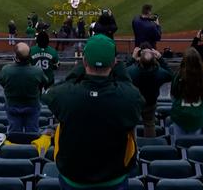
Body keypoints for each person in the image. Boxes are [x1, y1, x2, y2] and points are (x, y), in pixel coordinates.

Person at [45, 36, 143, 190]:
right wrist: (120, 67)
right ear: (114, 62)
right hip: (114, 179)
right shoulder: (129, 97)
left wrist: (80, 67)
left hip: (73, 179)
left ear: (84, 62)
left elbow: (56, 91)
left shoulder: (64, 95)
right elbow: (130, 89)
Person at [0, 42, 50, 136]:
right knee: (32, 135)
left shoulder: (6, 70)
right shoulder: (37, 71)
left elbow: (2, 83)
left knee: (14, 135)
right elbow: (44, 83)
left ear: (16, 56)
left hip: (13, 105)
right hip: (32, 105)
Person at [128, 45, 172, 137]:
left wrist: (132, 58)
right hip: (150, 102)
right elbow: (170, 75)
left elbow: (121, 72)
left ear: (139, 59)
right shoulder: (159, 73)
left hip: (134, 102)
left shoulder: (132, 72)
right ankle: (149, 143)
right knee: (149, 124)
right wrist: (160, 58)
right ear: (154, 60)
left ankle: (131, 147)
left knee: (130, 124)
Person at [169, 47, 203, 136]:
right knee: (193, 144)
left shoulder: (178, 75)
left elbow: (173, 97)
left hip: (180, 116)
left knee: (180, 144)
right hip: (197, 117)